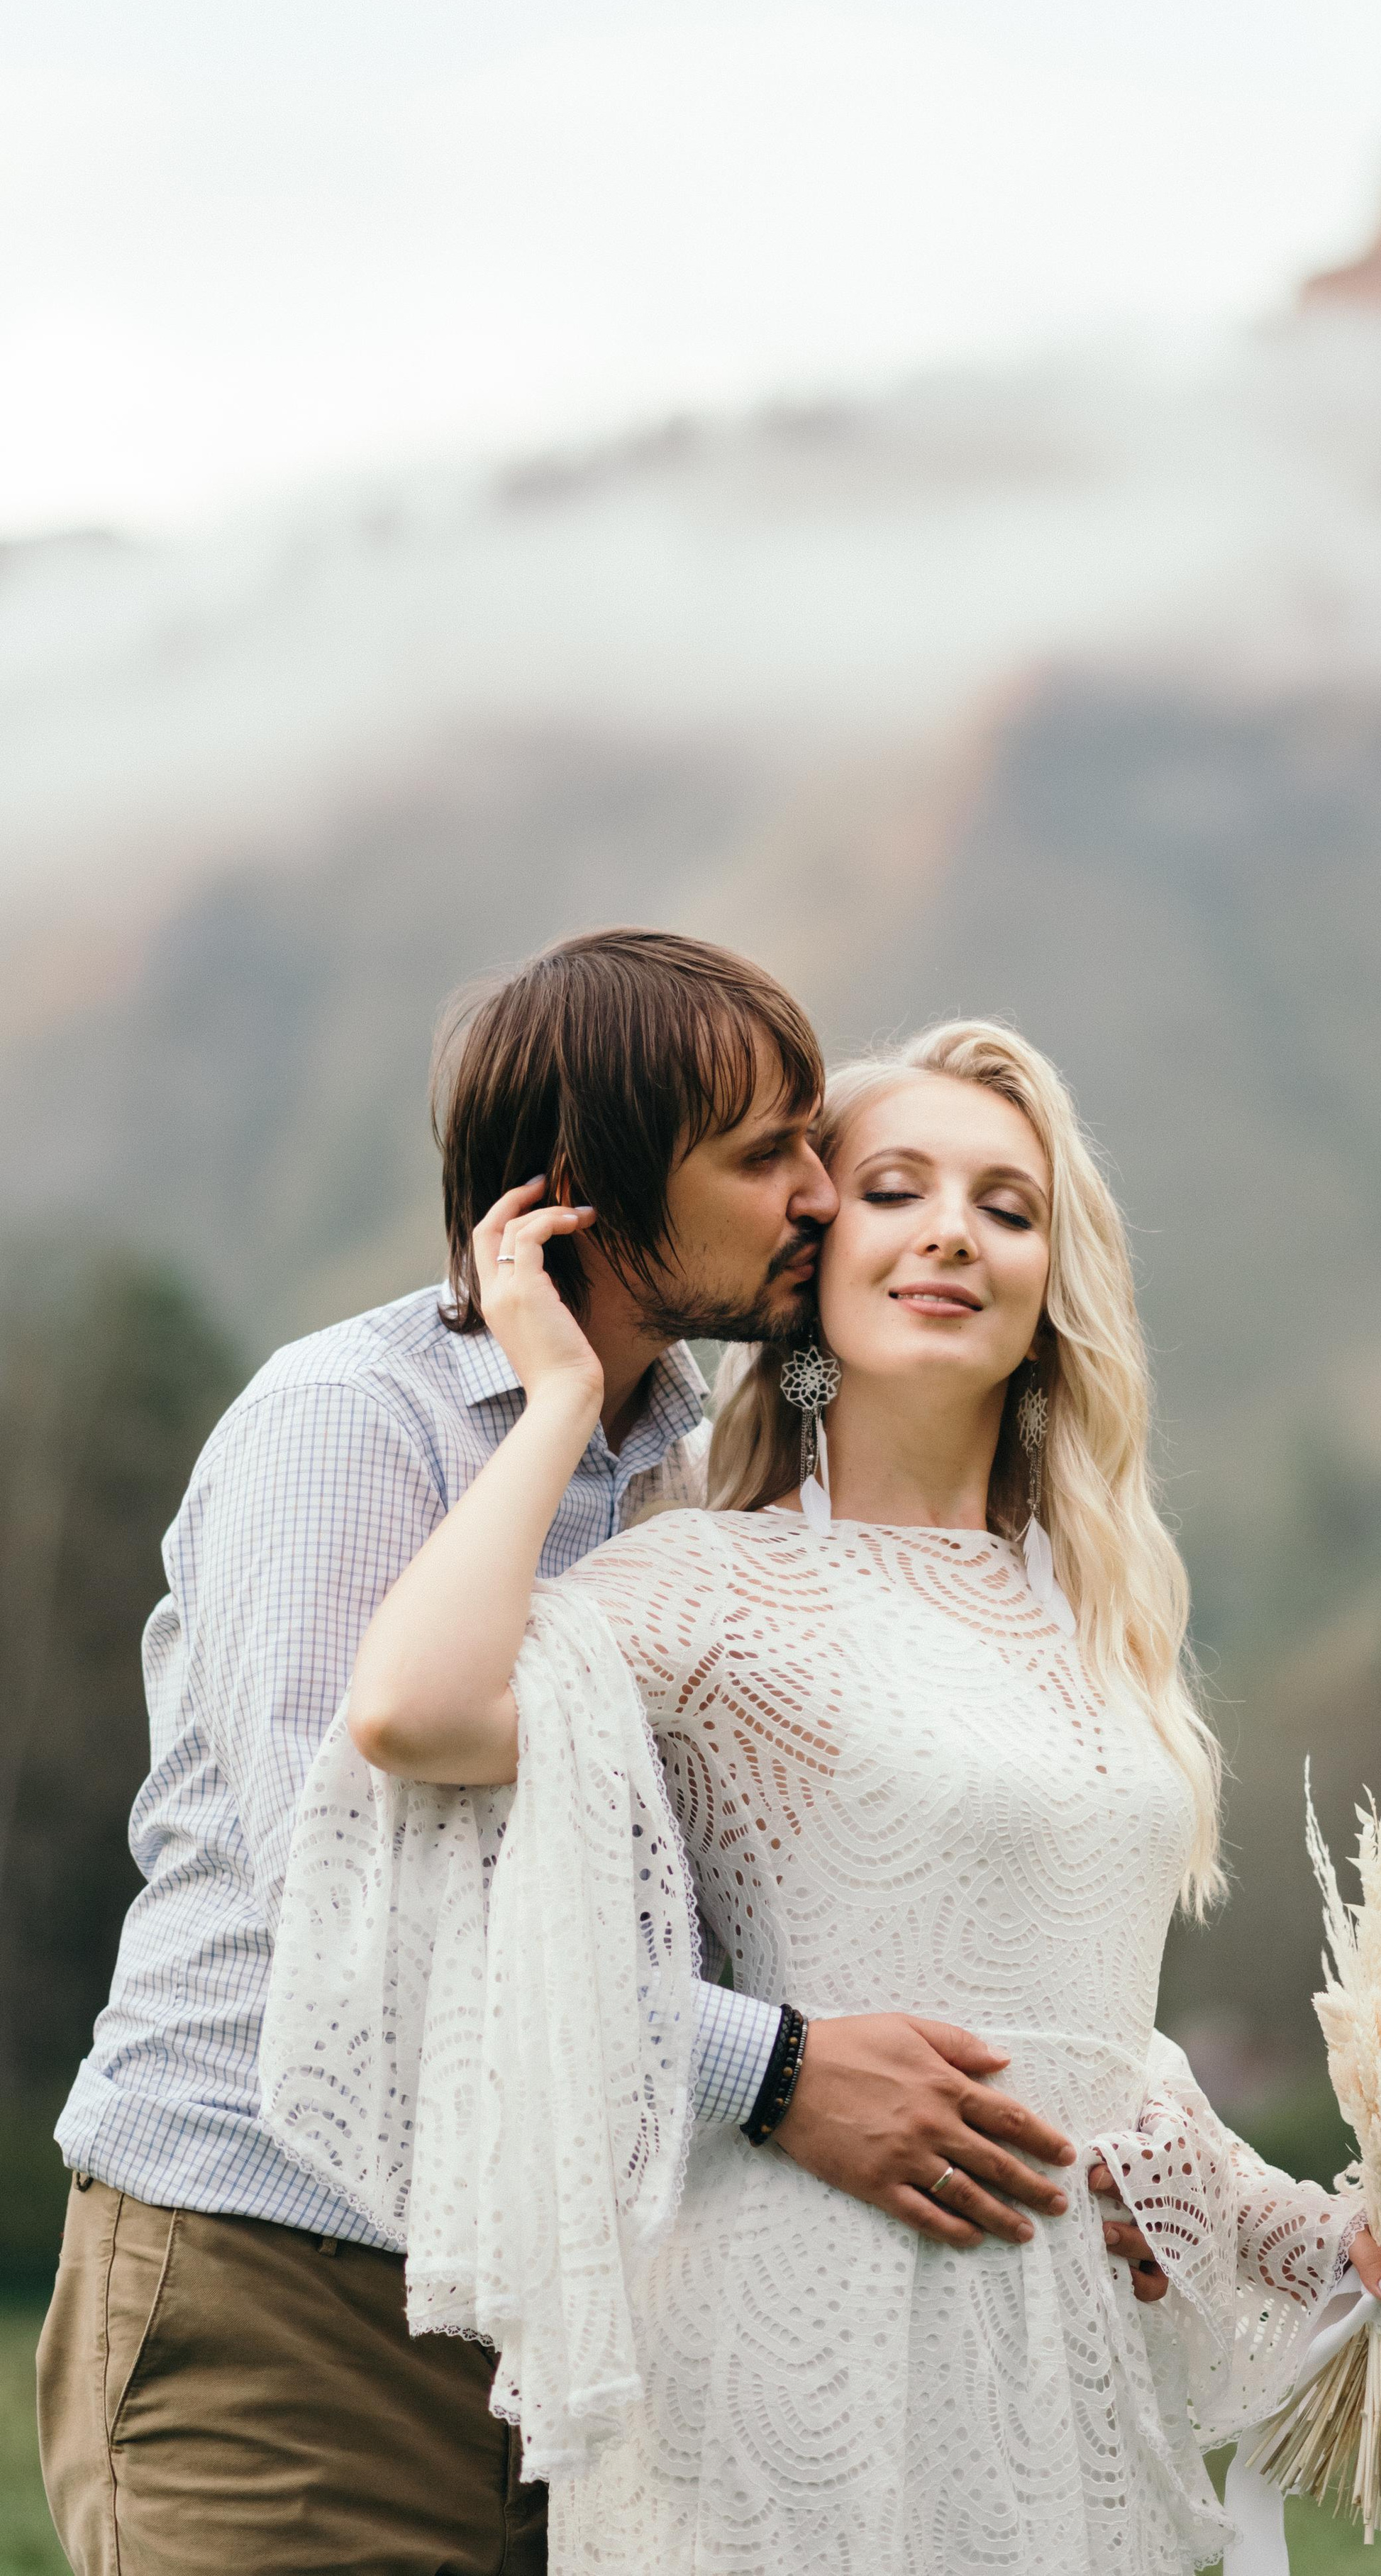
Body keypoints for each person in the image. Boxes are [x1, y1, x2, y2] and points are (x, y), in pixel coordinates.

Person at [276, 1017, 1381, 2576]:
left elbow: (1096, 2046)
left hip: (1068, 2363)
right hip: (781, 2344)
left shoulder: (1098, 1619)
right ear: (814, 1267)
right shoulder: (708, 1581)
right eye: (893, 1190)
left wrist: (1310, 2237)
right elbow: (410, 1714)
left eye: (1007, 1207)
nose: (952, 1234)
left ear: (1051, 1292)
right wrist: (554, 1390)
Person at [37, 935, 1080, 2576]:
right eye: (764, 1157)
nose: (817, 1194)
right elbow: (356, 1909)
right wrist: (781, 2074)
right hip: (284, 2288)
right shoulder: (347, 1426)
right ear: (587, 1196)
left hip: (567, 2314)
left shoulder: (674, 1474)